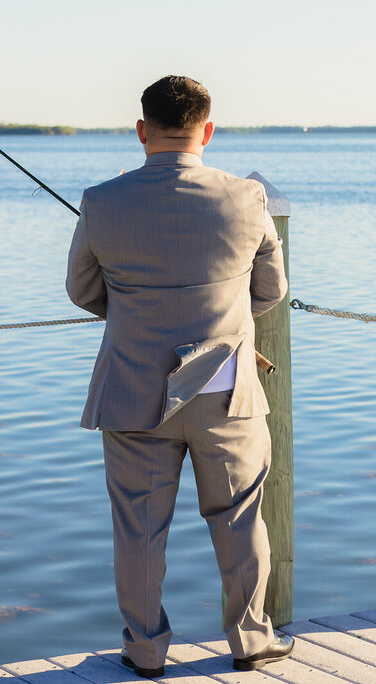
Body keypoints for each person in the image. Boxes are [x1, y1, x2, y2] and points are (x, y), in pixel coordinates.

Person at [66, 75, 295, 677]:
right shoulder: (247, 199)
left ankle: (144, 651)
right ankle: (249, 639)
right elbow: (271, 289)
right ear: (207, 131)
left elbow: (82, 291)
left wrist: (139, 317)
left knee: (139, 528)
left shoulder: (101, 201)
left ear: (142, 130)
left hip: (133, 388)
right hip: (223, 387)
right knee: (241, 515)